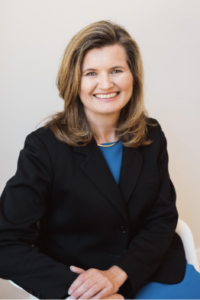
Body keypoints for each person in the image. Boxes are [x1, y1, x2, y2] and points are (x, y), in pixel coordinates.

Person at [0, 20, 199, 300]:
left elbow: (162, 218)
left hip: (149, 269)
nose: (106, 83)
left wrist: (119, 274)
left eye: (116, 70)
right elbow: (6, 243)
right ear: (74, 81)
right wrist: (87, 290)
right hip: (80, 280)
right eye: (91, 73)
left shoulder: (152, 134)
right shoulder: (42, 148)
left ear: (133, 76)